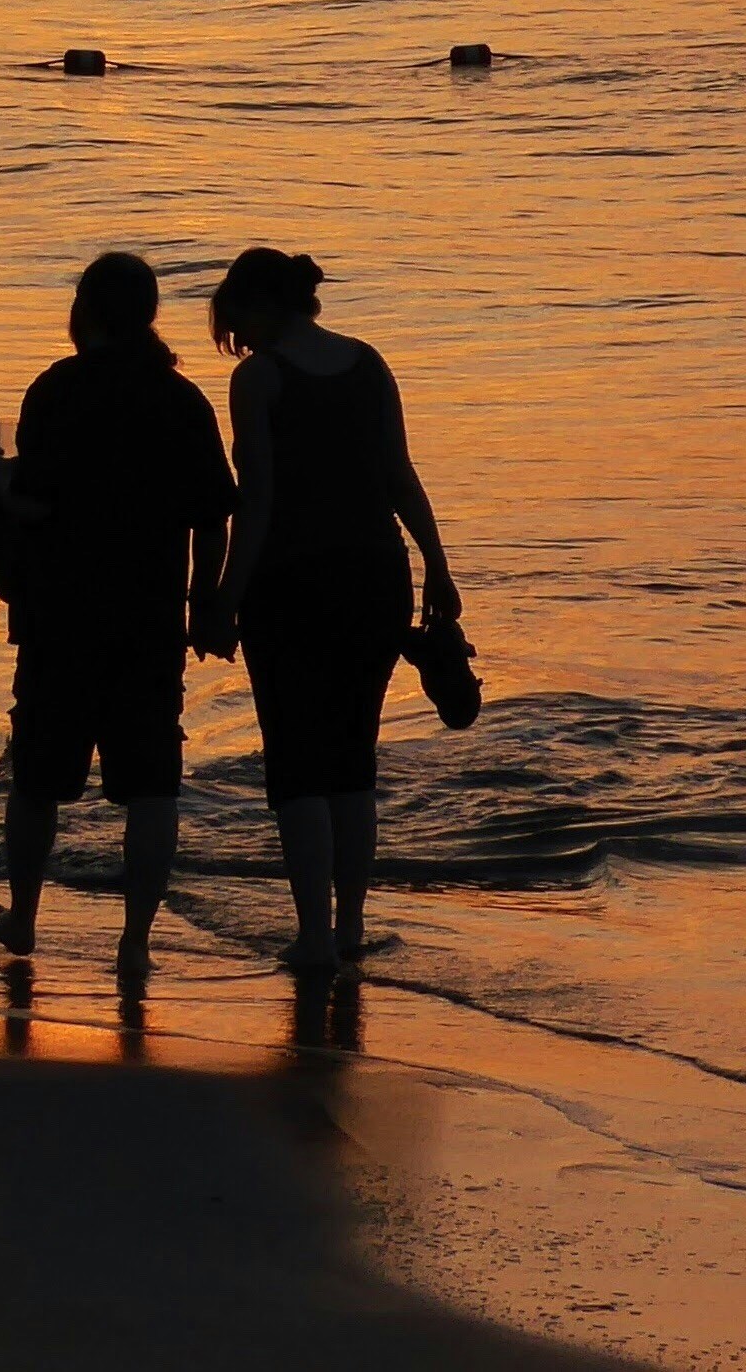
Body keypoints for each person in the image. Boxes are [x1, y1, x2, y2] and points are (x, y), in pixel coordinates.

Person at [197, 246, 461, 974]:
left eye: (236, 323)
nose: (237, 342)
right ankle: (350, 929)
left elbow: (258, 503)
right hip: (378, 575)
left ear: (259, 308)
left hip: (292, 583)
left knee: (297, 762)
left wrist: (224, 598)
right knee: (352, 759)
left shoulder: (259, 380)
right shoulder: (368, 363)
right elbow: (398, 474)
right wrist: (437, 564)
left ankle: (313, 935)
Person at [0, 250, 234, 987]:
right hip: (148, 617)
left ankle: (24, 916)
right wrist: (204, 601)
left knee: (37, 777)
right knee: (151, 786)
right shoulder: (181, 400)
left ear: (83, 311)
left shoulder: (55, 391)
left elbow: (35, 505)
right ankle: (134, 943)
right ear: (150, 314)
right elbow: (214, 516)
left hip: (59, 613)